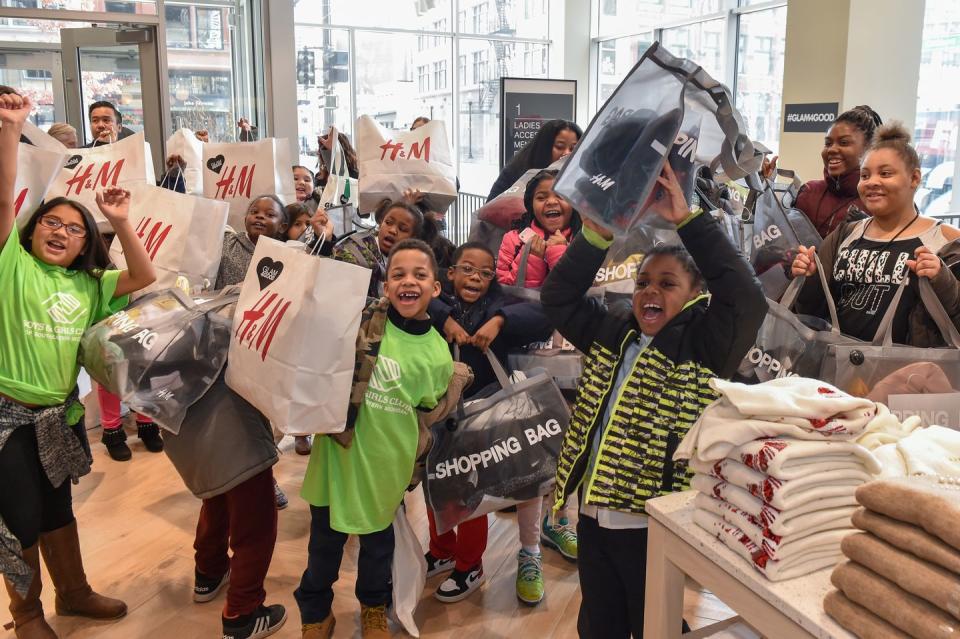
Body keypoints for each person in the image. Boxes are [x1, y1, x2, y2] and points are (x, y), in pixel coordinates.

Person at [542, 161, 766, 638]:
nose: (650, 291)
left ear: (694, 295)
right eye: (644, 281)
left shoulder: (707, 344)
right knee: (599, 620)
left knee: (655, 621)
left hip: (653, 517)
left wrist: (689, 221)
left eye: (668, 284)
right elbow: (558, 297)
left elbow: (747, 297)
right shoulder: (613, 328)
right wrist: (597, 234)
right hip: (592, 508)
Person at [0, 94, 156, 637]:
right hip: (6, 420)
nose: (61, 231)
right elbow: (3, 202)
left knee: (59, 511)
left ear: (85, 245)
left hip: (57, 417)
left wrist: (119, 220)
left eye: (75, 229)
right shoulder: (10, 264)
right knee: (18, 520)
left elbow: (143, 276)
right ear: (33, 227)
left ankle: (73, 593)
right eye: (52, 222)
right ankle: (26, 615)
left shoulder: (90, 284)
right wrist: (11, 128)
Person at [296, 239, 468, 639]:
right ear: (385, 286)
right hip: (336, 461)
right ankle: (315, 612)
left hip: (385, 467)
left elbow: (427, 410)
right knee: (323, 548)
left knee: (377, 550)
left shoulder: (439, 354)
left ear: (437, 287)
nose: (408, 282)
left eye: (419, 275)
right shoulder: (358, 324)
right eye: (398, 274)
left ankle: (374, 607)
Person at [425, 241, 553, 604]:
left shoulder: (497, 307)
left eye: (485, 272)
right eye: (467, 269)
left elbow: (542, 316)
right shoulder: (439, 304)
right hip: (435, 416)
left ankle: (470, 565)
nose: (476, 277)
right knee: (433, 487)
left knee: (468, 494)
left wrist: (500, 321)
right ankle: (442, 549)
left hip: (481, 418)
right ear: (449, 274)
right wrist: (443, 318)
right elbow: (415, 298)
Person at [792, 122, 960, 345]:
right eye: (865, 175)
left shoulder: (945, 238)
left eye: (885, 173)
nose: (872, 182)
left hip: (906, 373)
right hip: (839, 365)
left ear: (914, 178)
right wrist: (809, 277)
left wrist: (942, 278)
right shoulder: (846, 233)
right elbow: (813, 310)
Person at [766, 105, 883, 238]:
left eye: (844, 143)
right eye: (828, 143)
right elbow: (778, 240)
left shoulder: (876, 200)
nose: (832, 150)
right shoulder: (809, 192)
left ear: (868, 149)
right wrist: (764, 188)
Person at [332, 201, 437, 299]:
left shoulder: (411, 263)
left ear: (413, 238)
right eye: (388, 222)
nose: (392, 230)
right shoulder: (354, 250)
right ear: (380, 223)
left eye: (402, 229)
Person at [497, 169, 581, 288]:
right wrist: (533, 259)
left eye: (561, 196)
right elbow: (504, 289)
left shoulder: (584, 240)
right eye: (541, 198)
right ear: (531, 205)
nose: (551, 201)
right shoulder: (512, 239)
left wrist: (558, 255)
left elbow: (583, 289)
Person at [487, 119, 581, 201]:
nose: (567, 153)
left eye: (573, 149)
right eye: (559, 147)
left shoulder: (580, 179)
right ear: (544, 147)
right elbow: (489, 211)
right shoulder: (514, 172)